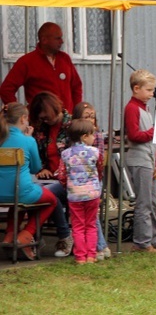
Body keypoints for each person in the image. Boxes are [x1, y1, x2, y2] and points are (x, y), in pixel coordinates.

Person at [0, 103, 58, 260]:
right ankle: (26, 235)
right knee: (52, 200)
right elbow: (35, 168)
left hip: (1, 193)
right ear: (23, 119)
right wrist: (30, 139)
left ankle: (9, 235)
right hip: (21, 190)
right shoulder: (28, 141)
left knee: (17, 204)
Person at [125, 69, 156, 253]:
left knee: (151, 201)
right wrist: (155, 131)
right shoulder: (132, 109)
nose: (152, 94)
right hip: (139, 159)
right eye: (149, 90)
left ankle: (152, 238)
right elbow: (134, 135)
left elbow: (152, 140)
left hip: (148, 159)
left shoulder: (145, 109)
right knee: (143, 202)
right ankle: (142, 242)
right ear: (136, 89)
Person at [28, 91, 75, 258]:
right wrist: (42, 169)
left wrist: (60, 173)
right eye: (42, 119)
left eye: (47, 117)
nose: (45, 121)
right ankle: (34, 237)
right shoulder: (42, 129)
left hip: (70, 180)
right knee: (36, 194)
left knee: (47, 195)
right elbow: (36, 154)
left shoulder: (73, 126)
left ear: (56, 109)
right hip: (49, 178)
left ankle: (63, 235)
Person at [0, 22, 83, 112]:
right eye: (57, 38)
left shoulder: (65, 58)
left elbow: (76, 86)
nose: (61, 41)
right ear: (44, 40)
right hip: (41, 122)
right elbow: (6, 89)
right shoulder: (27, 62)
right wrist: (20, 114)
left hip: (66, 121)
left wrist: (76, 112)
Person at [57, 119, 103, 264]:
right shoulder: (95, 152)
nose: (94, 137)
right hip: (92, 193)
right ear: (84, 136)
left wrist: (67, 186)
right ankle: (91, 255)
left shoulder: (65, 154)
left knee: (77, 226)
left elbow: (62, 175)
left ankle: (80, 257)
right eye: (92, 134)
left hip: (74, 194)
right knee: (91, 225)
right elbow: (100, 169)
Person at [72, 101, 112, 261]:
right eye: (86, 117)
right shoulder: (72, 138)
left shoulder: (98, 137)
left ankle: (98, 247)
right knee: (86, 219)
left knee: (90, 217)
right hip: (76, 183)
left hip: (93, 181)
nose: (90, 121)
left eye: (93, 118)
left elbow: (100, 163)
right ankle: (97, 248)